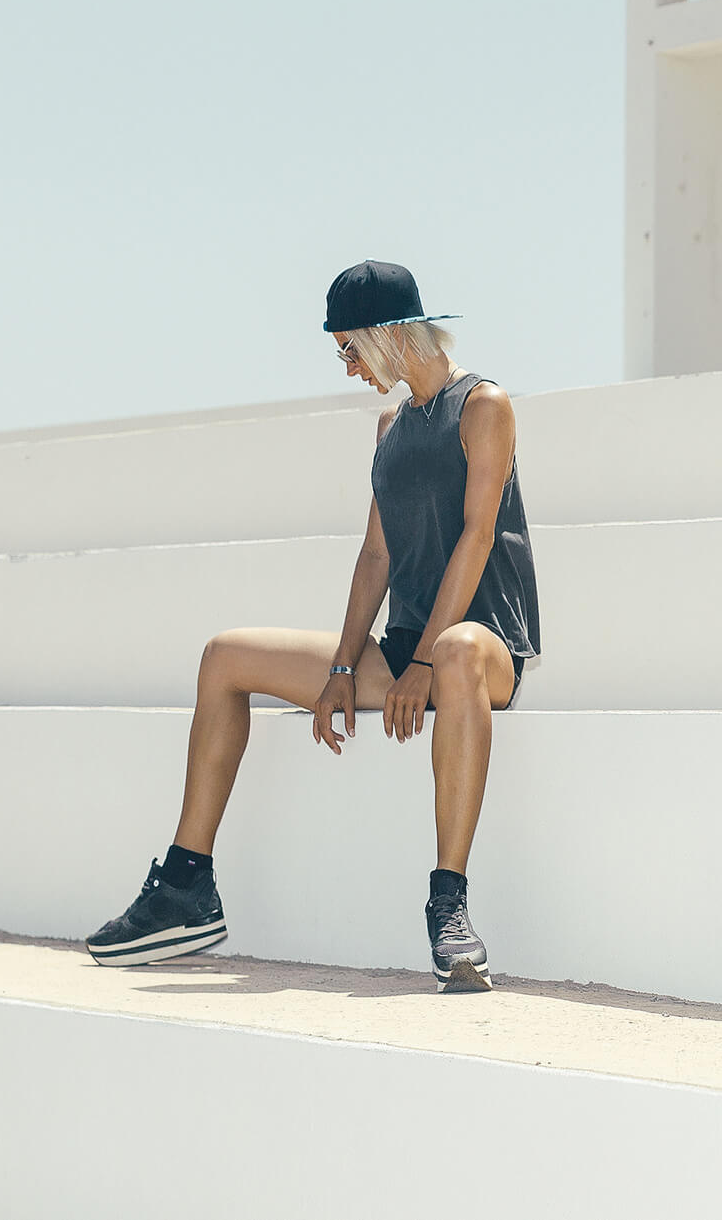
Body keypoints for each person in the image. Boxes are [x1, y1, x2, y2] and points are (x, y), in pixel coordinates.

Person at [84, 260, 542, 992]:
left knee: (456, 648)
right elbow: (376, 555)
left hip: (479, 647)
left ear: (388, 335)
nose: (349, 366)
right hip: (408, 653)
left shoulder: (483, 405)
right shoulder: (390, 426)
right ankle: (186, 885)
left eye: (350, 348)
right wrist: (341, 669)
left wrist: (425, 662)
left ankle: (449, 906)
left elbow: (477, 535)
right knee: (224, 656)